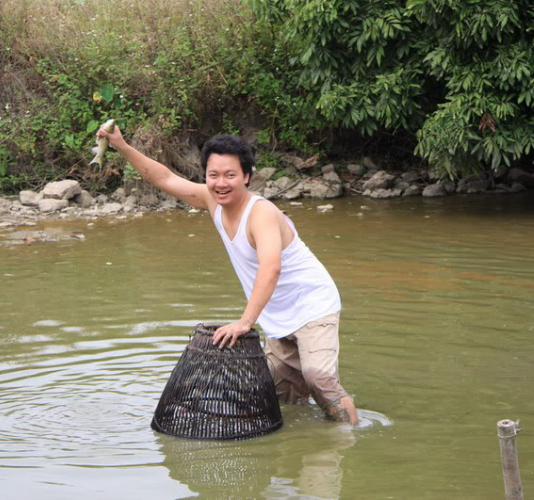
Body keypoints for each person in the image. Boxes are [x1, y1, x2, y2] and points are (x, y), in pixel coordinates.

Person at [97, 125, 359, 424]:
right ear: (206, 176)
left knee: (318, 379)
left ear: (246, 176)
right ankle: (298, 447)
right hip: (276, 311)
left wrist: (245, 322)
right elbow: (164, 178)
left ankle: (350, 442)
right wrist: (121, 145)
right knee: (283, 395)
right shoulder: (212, 200)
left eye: (230, 175)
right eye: (213, 175)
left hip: (312, 305)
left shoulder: (261, 214)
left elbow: (270, 267)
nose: (221, 183)